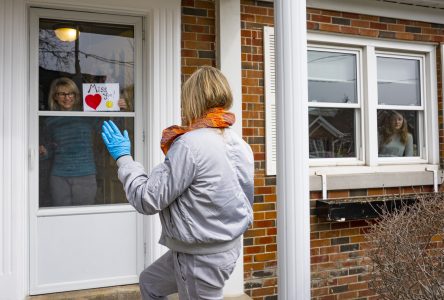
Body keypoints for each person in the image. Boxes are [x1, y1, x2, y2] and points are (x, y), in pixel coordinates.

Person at [101, 66, 254, 300]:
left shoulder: (190, 144)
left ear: (192, 99)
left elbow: (147, 199)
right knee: (150, 282)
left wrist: (124, 158)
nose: (182, 108)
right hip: (224, 248)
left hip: (200, 257)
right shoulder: (240, 143)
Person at [40, 77, 127, 206]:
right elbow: (51, 148)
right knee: (61, 217)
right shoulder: (49, 120)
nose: (67, 97)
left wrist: (121, 110)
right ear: (55, 97)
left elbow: (110, 130)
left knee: (84, 217)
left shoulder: (87, 116)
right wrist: (44, 151)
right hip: (59, 176)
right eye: (62, 94)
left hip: (85, 174)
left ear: (76, 96)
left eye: (71, 93)